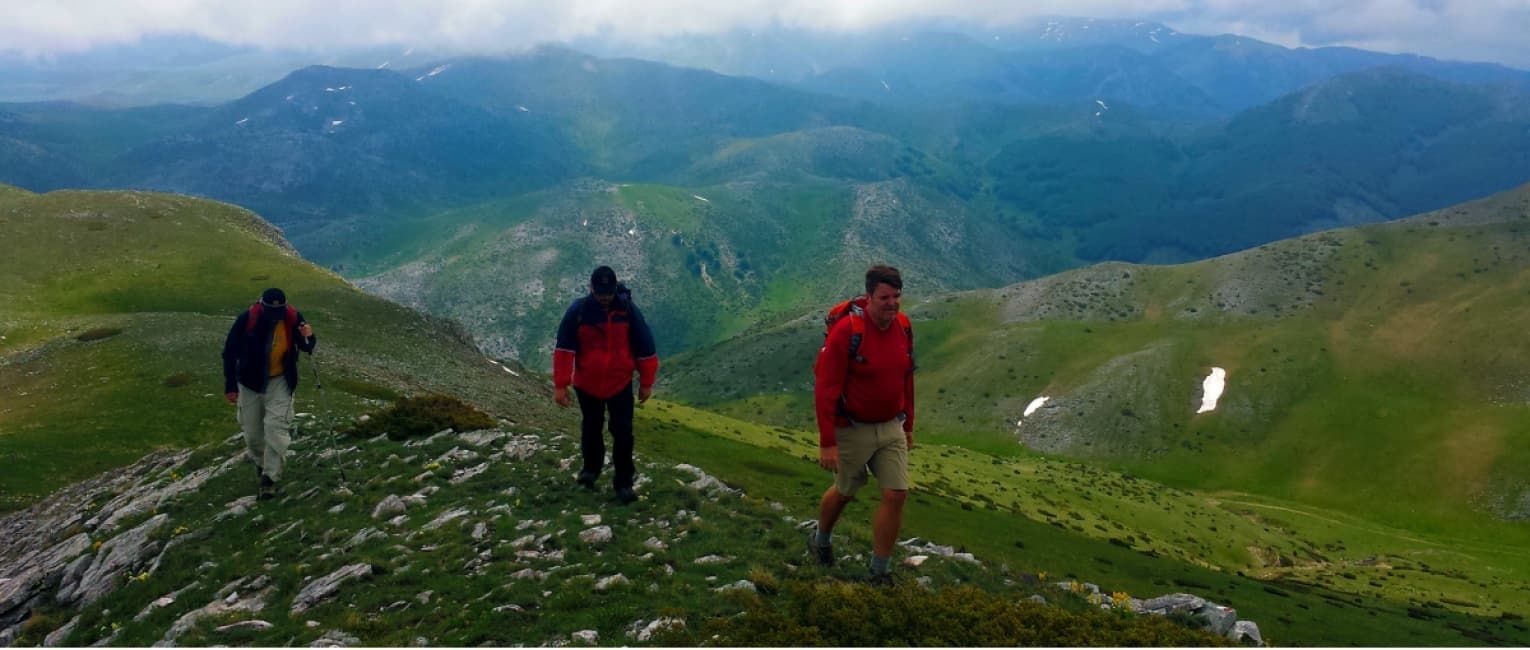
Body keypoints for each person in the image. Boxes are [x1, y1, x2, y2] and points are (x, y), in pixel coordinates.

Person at [808, 265, 916, 584]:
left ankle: (878, 572)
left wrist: (909, 425)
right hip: (852, 427)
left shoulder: (904, 327)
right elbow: (826, 388)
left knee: (896, 494)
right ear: (869, 297)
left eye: (897, 296)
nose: (892, 303)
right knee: (845, 491)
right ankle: (821, 540)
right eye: (885, 297)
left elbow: (906, 378)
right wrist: (827, 441)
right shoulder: (848, 332)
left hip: (891, 426)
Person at [553, 266, 659, 504]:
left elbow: (645, 347)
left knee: (622, 433)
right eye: (601, 293)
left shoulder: (627, 311)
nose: (604, 297)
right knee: (591, 428)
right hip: (586, 384)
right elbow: (564, 349)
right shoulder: (578, 311)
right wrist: (560, 385)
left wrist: (646, 382)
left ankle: (623, 483)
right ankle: (590, 471)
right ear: (591, 288)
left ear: (614, 289)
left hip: (620, 383)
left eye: (608, 293)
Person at [221, 288, 316, 500]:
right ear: (262, 306)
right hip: (250, 382)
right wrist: (230, 386)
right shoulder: (248, 319)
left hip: (281, 380)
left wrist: (309, 337)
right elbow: (229, 352)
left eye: (279, 313)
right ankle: (262, 464)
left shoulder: (292, 318)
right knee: (253, 435)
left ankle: (269, 478)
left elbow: (306, 346)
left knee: (275, 427)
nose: (275, 317)